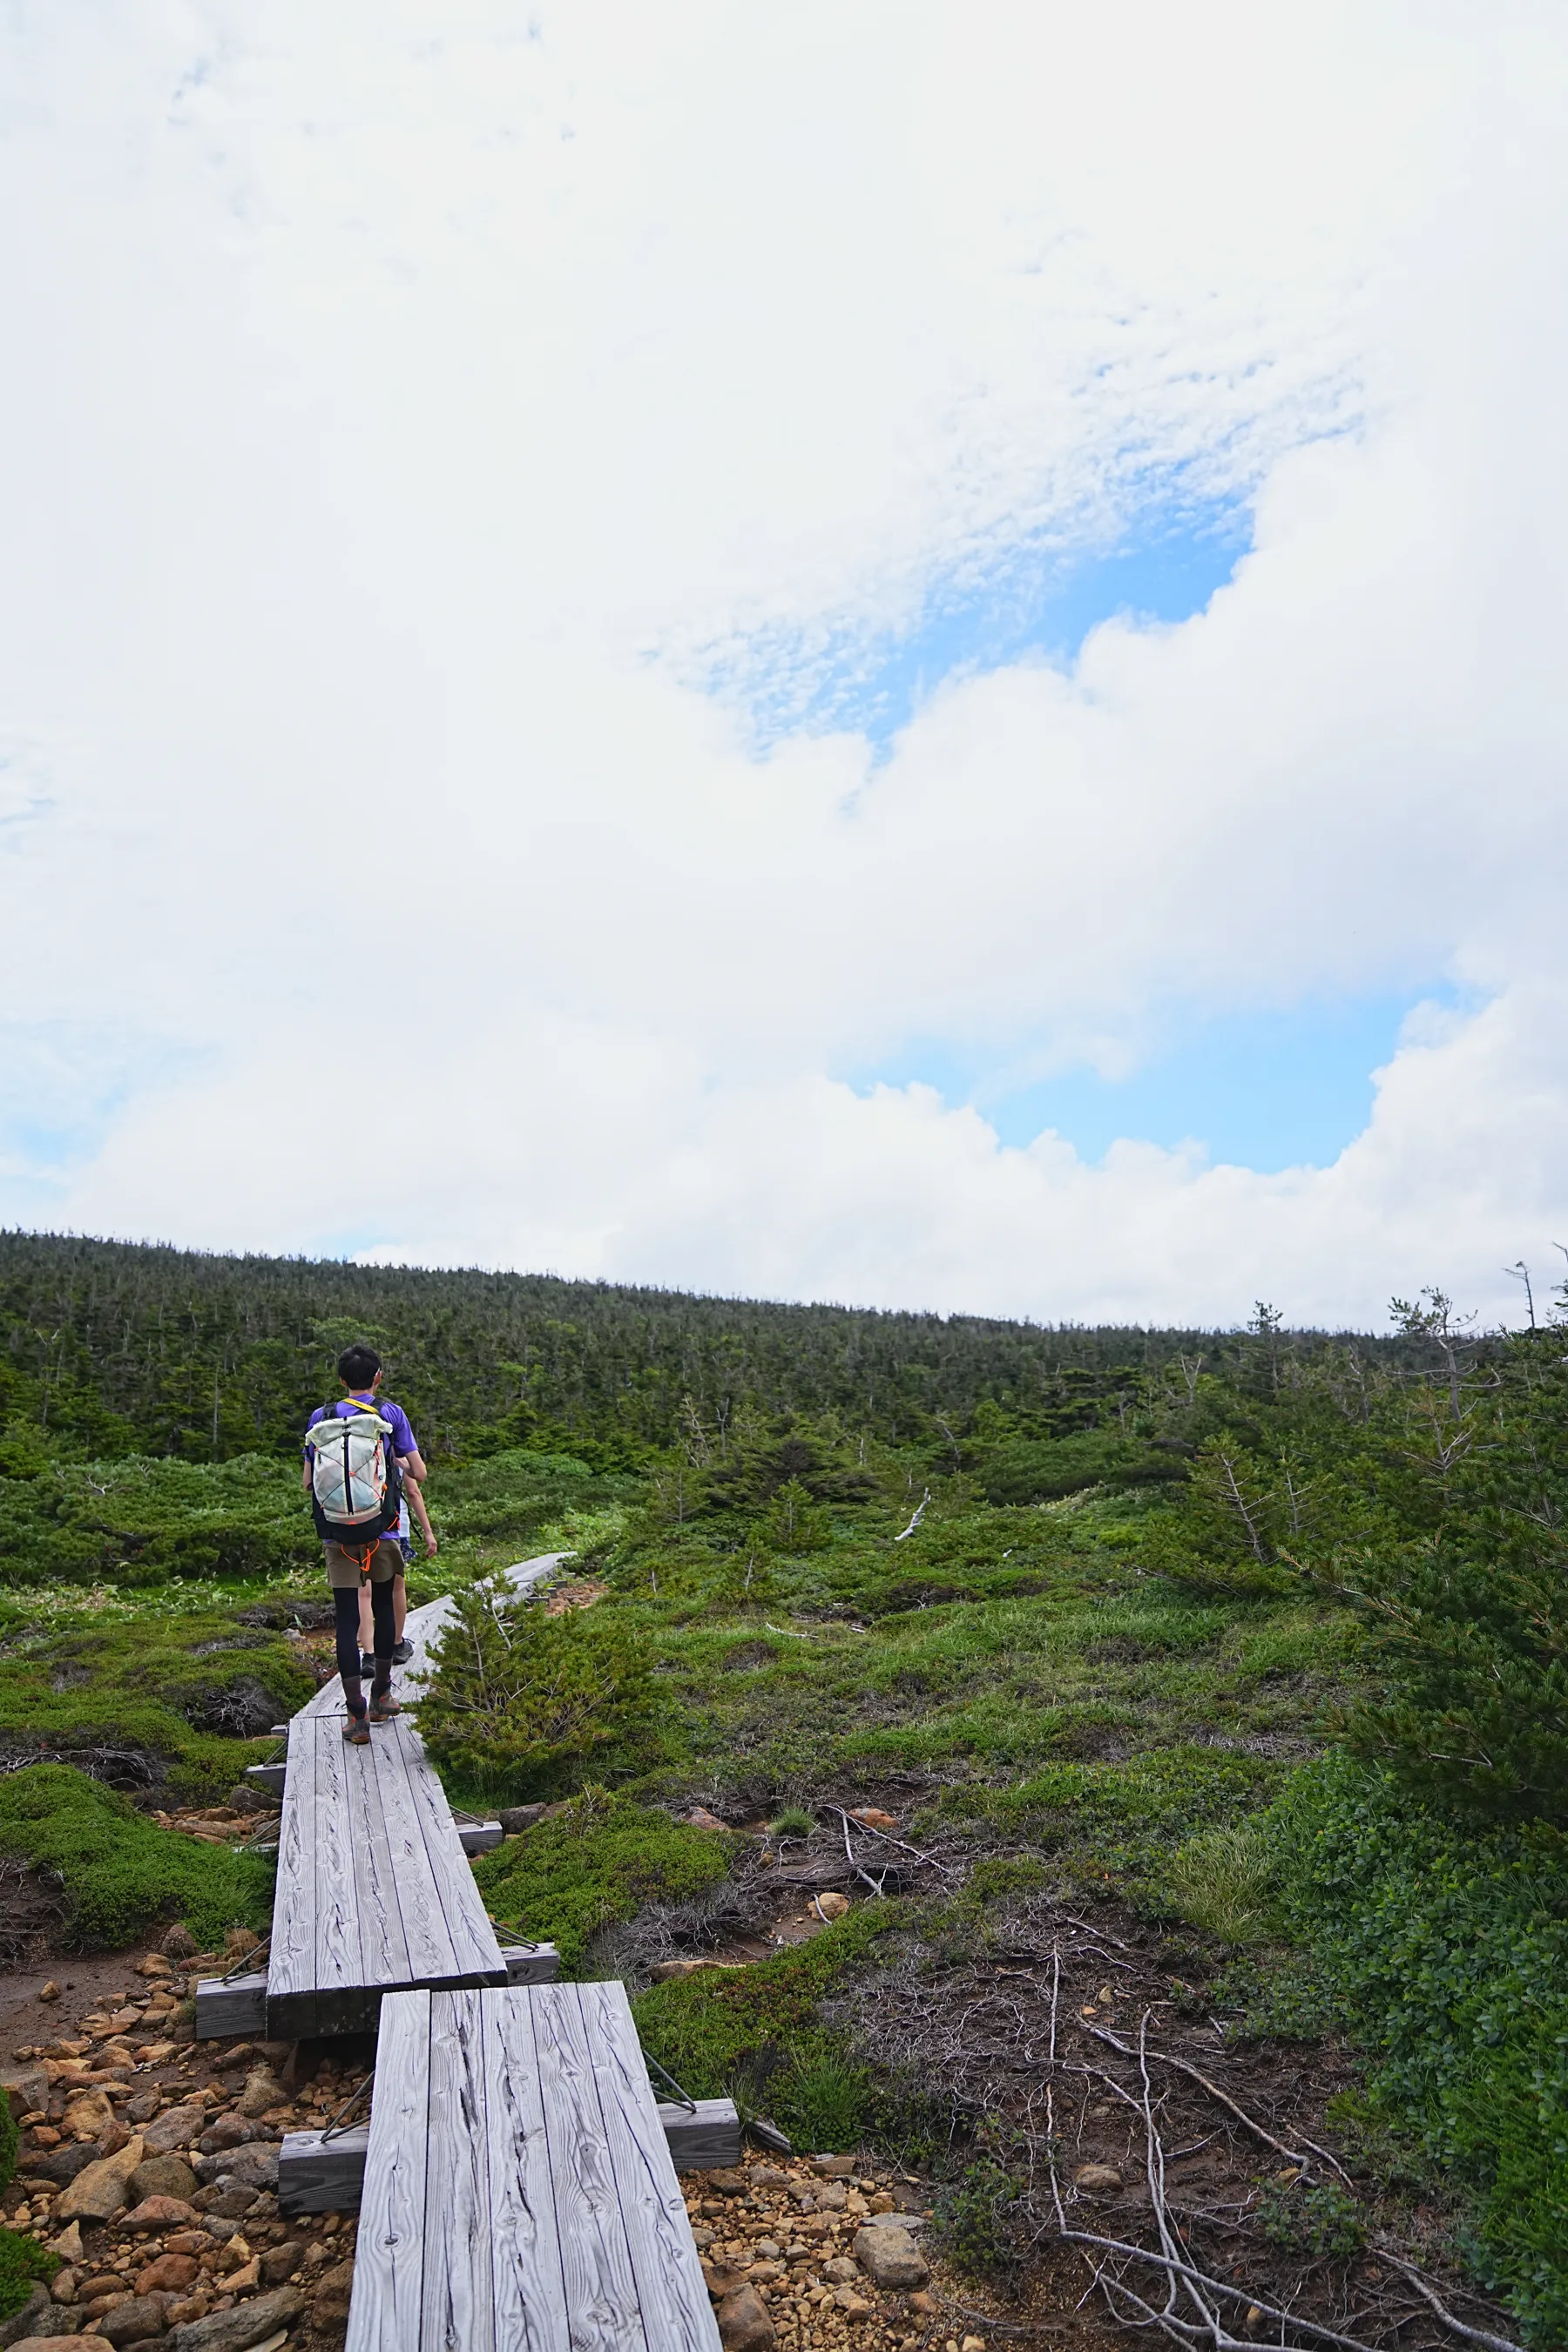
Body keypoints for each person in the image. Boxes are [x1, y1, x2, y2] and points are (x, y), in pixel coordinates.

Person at [303, 1344, 428, 1745]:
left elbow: (308, 1482)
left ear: (341, 1380)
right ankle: (382, 1696)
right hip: (383, 1530)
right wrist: (397, 1463)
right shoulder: (389, 1413)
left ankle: (355, 1718)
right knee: (383, 1607)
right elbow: (419, 1473)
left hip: (337, 1534)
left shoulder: (320, 1417)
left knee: (346, 1620)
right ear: (378, 1377)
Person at [357, 1453, 437, 1674]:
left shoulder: (356, 1446)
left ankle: (369, 1655)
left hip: (359, 1526)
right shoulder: (397, 1449)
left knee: (364, 1592)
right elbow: (413, 1492)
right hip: (394, 1528)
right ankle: (396, 1644)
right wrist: (428, 1533)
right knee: (396, 1587)